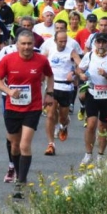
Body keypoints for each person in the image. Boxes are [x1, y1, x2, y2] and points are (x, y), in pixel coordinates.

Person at [0, 30, 54, 199]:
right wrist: (9, 91)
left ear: (34, 45)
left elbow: (50, 75)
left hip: (32, 107)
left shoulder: (41, 60)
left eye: (29, 44)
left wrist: (49, 92)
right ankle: (19, 173)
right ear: (17, 45)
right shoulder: (8, 59)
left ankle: (21, 181)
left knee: (25, 145)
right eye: (23, 44)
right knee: (14, 145)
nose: (26, 47)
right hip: (12, 107)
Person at [75, 34, 107, 166]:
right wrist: (81, 75)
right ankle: (88, 154)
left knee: (103, 127)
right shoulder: (89, 55)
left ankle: (101, 155)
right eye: (98, 42)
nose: (101, 45)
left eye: (103, 42)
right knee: (91, 124)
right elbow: (79, 69)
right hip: (92, 92)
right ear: (94, 43)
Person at [39, 28, 81, 156]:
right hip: (52, 86)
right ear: (55, 40)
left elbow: (81, 65)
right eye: (61, 41)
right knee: (50, 115)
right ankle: (51, 144)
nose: (63, 44)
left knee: (62, 117)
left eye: (65, 41)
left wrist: (73, 73)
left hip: (66, 87)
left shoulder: (71, 51)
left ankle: (64, 124)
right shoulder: (50, 49)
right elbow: (41, 63)